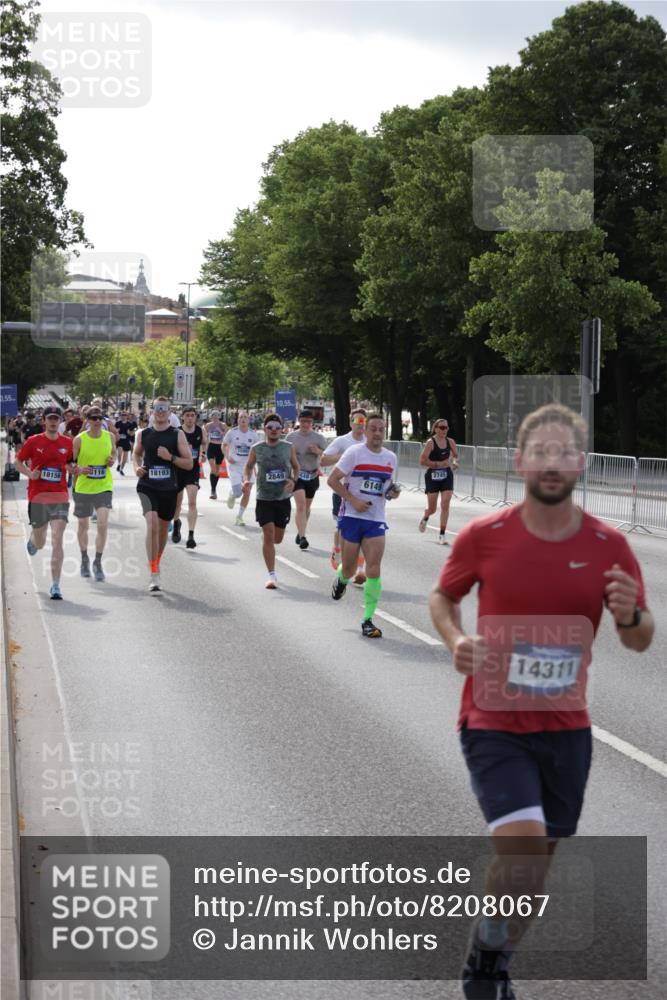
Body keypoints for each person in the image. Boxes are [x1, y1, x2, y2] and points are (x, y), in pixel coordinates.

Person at [428, 403, 654, 1000]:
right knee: (524, 845)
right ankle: (486, 963)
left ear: (580, 463)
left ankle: (491, 953)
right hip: (492, 720)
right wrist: (455, 640)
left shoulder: (609, 545)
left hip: (566, 727)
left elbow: (639, 639)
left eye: (564, 454)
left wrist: (632, 612)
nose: (552, 464)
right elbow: (443, 598)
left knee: (535, 869)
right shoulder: (485, 536)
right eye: (541, 453)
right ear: (520, 461)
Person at [328, 413, 400, 638]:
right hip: (351, 515)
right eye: (374, 429)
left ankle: (367, 619)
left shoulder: (391, 457)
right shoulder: (354, 453)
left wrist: (392, 493)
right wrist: (354, 501)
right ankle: (341, 579)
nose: (378, 433)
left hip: (375, 519)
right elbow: (332, 480)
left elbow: (384, 490)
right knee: (349, 569)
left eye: (381, 429)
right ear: (366, 432)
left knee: (373, 568)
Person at [133, 397, 193, 594]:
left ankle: (156, 563)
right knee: (151, 524)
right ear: (152, 411)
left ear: (169, 412)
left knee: (161, 529)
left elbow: (189, 464)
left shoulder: (178, 435)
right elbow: (136, 454)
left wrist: (171, 457)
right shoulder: (143, 434)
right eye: (157, 408)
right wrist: (136, 468)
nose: (160, 411)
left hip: (168, 488)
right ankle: (153, 571)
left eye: (164, 409)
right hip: (147, 486)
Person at [15, 405, 73, 600]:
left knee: (57, 539)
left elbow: (70, 463)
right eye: (50, 418)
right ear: (44, 421)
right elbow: (17, 462)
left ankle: (56, 585)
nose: (54, 421)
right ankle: (33, 539)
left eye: (57, 418)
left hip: (60, 497)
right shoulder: (33, 441)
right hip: (38, 497)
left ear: (60, 421)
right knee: (40, 543)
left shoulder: (67, 442)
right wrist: (30, 473)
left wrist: (75, 469)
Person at [243, 413, 299, 589]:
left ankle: (269, 540)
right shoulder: (256, 448)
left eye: (277, 427)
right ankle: (271, 575)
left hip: (282, 498)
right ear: (264, 429)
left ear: (282, 429)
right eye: (270, 427)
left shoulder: (288, 447)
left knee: (278, 538)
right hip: (264, 498)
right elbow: (249, 466)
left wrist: (293, 480)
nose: (274, 430)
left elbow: (296, 467)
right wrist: (246, 480)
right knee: (268, 533)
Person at [320, 408, 368, 578]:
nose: (361, 424)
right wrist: (343, 457)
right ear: (351, 422)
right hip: (341, 490)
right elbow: (323, 460)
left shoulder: (368, 441)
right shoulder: (342, 441)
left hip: (363, 493)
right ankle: (337, 549)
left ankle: (360, 570)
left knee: (362, 531)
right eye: (358, 421)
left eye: (363, 421)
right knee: (341, 530)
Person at [72, 404, 115, 581]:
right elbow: (70, 464)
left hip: (104, 486)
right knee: (83, 525)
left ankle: (97, 561)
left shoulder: (110, 436)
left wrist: (111, 461)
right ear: (87, 420)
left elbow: (111, 455)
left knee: (102, 524)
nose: (97, 421)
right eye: (93, 418)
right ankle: (84, 559)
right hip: (83, 487)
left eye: (100, 418)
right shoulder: (79, 439)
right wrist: (79, 469)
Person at [286, 410, 328, 550]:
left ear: (312, 423)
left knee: (307, 508)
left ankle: (300, 531)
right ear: (299, 421)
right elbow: (284, 455)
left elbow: (328, 457)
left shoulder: (319, 438)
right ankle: (303, 538)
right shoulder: (291, 437)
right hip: (297, 475)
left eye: (308, 422)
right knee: (301, 506)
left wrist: (318, 451)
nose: (305, 424)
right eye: (303, 421)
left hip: (312, 475)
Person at [419, 418, 459, 544]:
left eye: (446, 427)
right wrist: (437, 464)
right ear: (435, 428)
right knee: (433, 508)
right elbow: (422, 461)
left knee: (445, 503)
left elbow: (455, 456)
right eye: (442, 427)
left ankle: (442, 535)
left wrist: (454, 463)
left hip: (446, 475)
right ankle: (426, 515)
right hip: (433, 477)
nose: (444, 430)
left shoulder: (450, 442)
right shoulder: (431, 443)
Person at [172, 405, 206, 548]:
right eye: (188, 415)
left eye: (193, 415)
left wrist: (203, 454)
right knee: (177, 503)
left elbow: (204, 443)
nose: (190, 418)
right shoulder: (177, 432)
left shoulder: (200, 430)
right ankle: (176, 523)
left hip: (193, 470)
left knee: (192, 502)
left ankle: (191, 535)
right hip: (179, 469)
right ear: (183, 417)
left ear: (196, 417)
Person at [222, 410, 258, 526]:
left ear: (248, 420)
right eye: (241, 417)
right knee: (238, 493)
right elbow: (223, 445)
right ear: (238, 420)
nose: (243, 419)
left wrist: (256, 467)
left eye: (245, 417)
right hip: (235, 466)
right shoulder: (232, 432)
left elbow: (257, 451)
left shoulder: (253, 434)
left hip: (249, 466)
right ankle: (233, 493)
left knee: (247, 491)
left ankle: (240, 517)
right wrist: (227, 457)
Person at [205, 409, 225, 500]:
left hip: (220, 448)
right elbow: (204, 436)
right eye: (213, 416)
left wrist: (221, 432)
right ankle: (212, 491)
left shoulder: (223, 425)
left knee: (217, 471)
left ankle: (214, 489)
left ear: (219, 417)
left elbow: (227, 435)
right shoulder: (208, 425)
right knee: (212, 467)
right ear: (211, 417)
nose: (215, 418)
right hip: (211, 447)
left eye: (217, 416)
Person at [114, 410, 133, 474]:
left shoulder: (129, 424)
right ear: (120, 416)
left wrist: (129, 433)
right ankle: (119, 464)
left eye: (125, 415)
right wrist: (117, 431)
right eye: (122, 415)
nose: (123, 416)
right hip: (120, 440)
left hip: (126, 441)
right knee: (119, 453)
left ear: (127, 416)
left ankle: (121, 469)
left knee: (125, 458)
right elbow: (114, 431)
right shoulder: (117, 423)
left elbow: (132, 433)